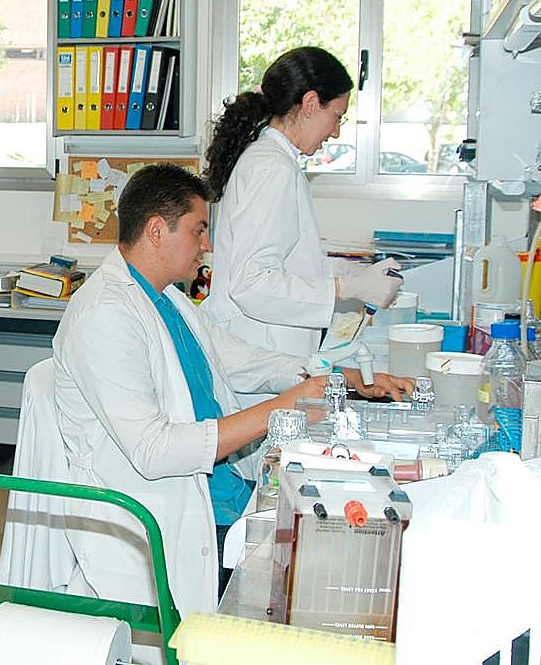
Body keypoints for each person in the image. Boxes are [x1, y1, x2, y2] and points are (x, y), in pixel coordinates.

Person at [51, 164, 411, 630]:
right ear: (158, 230)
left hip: (220, 493)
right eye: (199, 229)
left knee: (337, 541)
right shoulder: (105, 316)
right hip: (168, 511)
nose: (207, 245)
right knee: (326, 579)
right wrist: (287, 404)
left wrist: (338, 377)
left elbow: (241, 359)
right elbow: (155, 450)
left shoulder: (168, 300)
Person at [201, 46, 405, 364]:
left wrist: (348, 272)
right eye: (336, 116)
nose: (335, 132)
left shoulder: (272, 160)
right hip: (259, 355)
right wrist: (346, 287)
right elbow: (252, 285)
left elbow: (288, 264)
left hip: (263, 349)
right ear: (310, 103)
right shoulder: (272, 168)